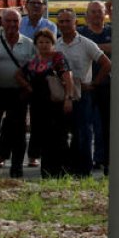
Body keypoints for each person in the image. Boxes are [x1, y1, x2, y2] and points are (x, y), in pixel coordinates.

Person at [55, 9, 111, 177]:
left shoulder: (86, 43)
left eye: (67, 21)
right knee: (62, 133)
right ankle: (65, 168)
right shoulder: (56, 45)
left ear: (75, 23)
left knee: (83, 133)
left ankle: (83, 171)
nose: (64, 25)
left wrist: (95, 82)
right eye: (61, 22)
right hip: (62, 95)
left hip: (82, 95)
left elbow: (107, 64)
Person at [0, 9, 35, 177]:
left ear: (20, 23)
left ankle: (16, 170)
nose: (12, 25)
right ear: (2, 23)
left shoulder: (29, 44)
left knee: (18, 133)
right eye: (9, 21)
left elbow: (36, 69)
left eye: (16, 21)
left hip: (18, 94)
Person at [20, 28, 74, 178]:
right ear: (36, 44)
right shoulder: (34, 61)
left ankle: (63, 173)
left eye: (47, 42)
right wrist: (27, 86)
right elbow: (18, 75)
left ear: (53, 43)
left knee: (59, 139)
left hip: (56, 105)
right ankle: (47, 173)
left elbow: (68, 78)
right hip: (38, 107)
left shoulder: (58, 57)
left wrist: (68, 99)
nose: (44, 45)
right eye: (40, 42)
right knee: (44, 140)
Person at [77, 1, 112, 173]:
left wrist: (92, 48)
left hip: (106, 85)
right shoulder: (81, 33)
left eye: (100, 11)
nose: (97, 15)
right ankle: (85, 162)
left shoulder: (112, 31)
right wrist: (103, 49)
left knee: (105, 126)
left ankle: (104, 159)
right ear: (86, 15)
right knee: (85, 125)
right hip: (85, 87)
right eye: (93, 12)